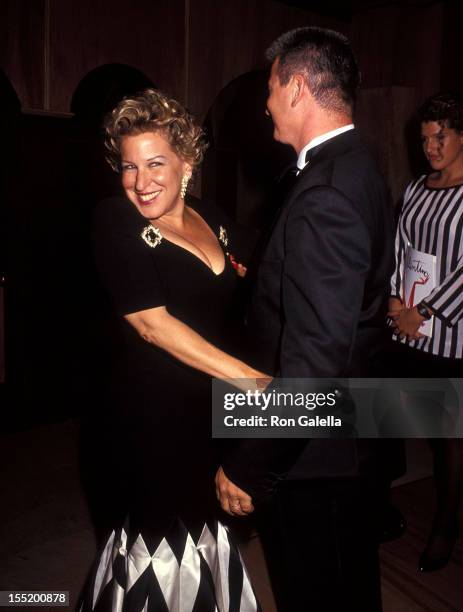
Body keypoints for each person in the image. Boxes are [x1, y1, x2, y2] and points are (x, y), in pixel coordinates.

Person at [215, 27, 395, 611]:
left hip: (314, 450)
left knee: (317, 590)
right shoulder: (358, 162)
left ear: (296, 88)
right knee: (346, 584)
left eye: (270, 87)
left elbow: (315, 362)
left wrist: (251, 464)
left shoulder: (327, 191)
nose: (265, 102)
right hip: (346, 431)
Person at [78, 89, 266, 612]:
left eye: (155, 163)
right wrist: (254, 381)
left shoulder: (214, 218)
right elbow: (151, 324)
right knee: (156, 540)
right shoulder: (117, 220)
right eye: (129, 166)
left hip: (208, 411)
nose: (140, 182)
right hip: (148, 418)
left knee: (209, 526)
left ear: (187, 162)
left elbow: (266, 273)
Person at [388, 91, 463, 572]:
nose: (431, 148)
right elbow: (401, 245)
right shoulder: (417, 188)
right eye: (425, 139)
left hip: (452, 335)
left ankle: (446, 526)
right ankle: (382, 506)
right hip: (406, 324)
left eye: (440, 137)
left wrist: (428, 311)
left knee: (449, 437)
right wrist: (395, 299)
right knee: (395, 417)